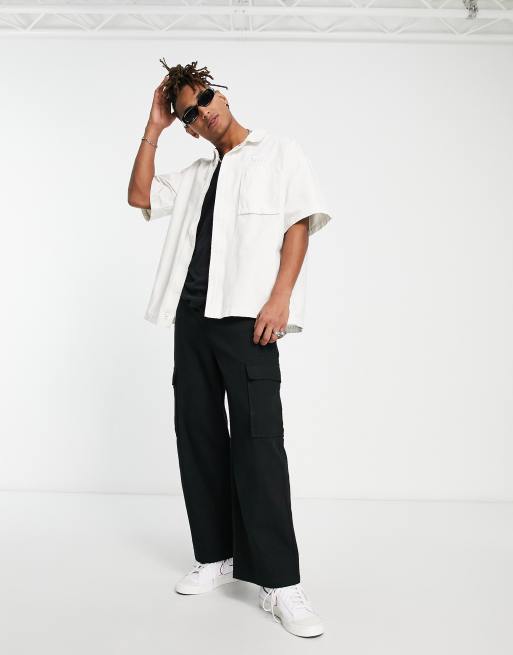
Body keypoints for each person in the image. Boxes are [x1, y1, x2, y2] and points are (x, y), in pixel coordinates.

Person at [127, 59, 332, 638]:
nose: (203, 114)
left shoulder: (280, 152)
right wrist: (155, 125)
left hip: (248, 322)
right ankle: (215, 556)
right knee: (197, 438)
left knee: (260, 444)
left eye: (204, 100)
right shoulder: (194, 172)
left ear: (220, 93)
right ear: (188, 127)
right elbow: (138, 194)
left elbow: (298, 225)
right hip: (191, 322)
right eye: (189, 115)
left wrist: (280, 298)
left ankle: (281, 583)